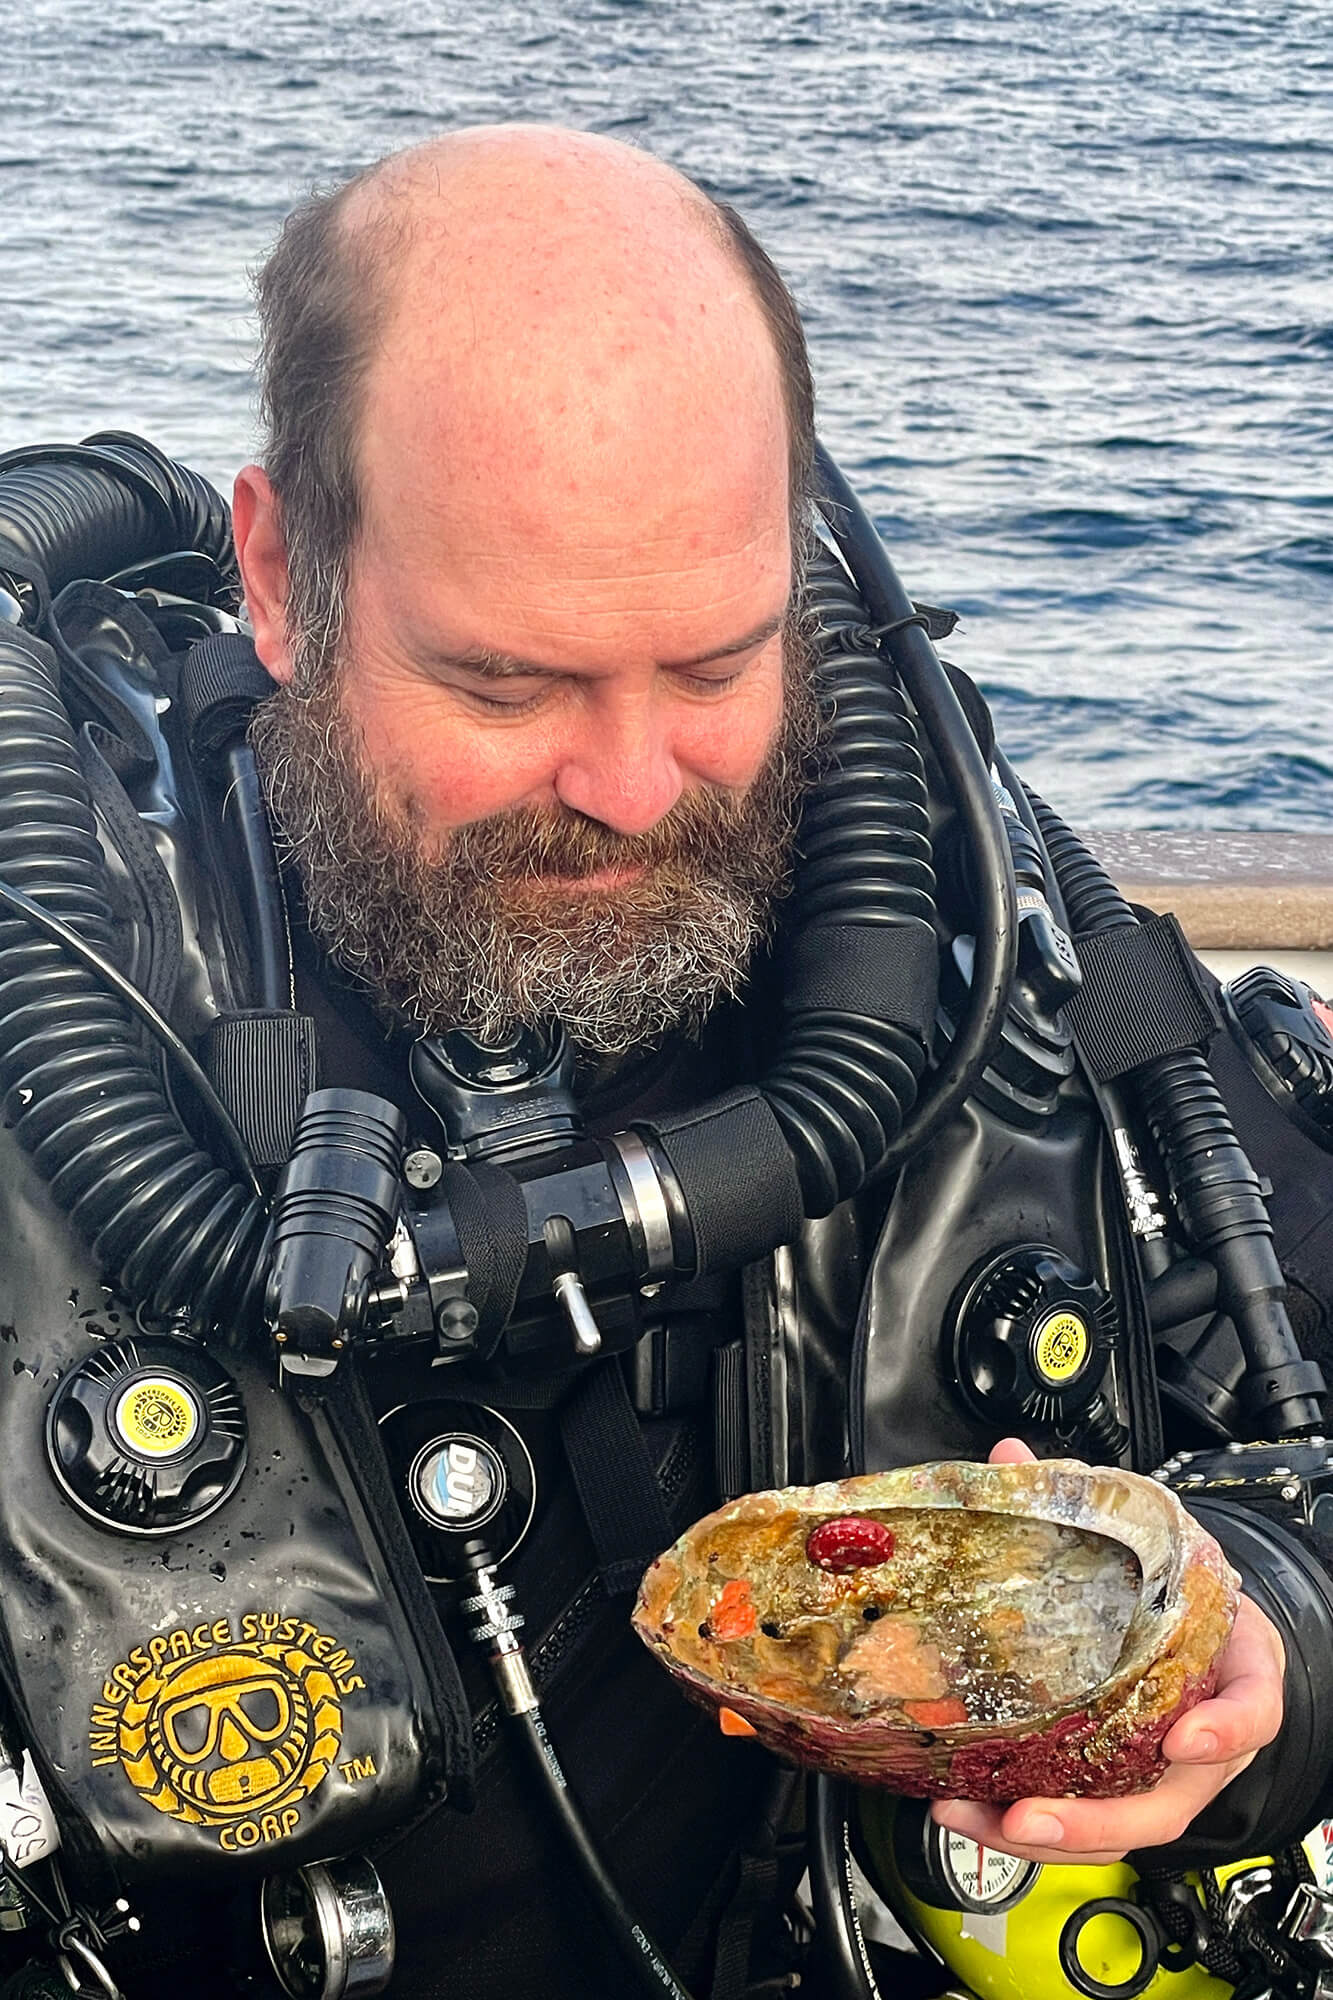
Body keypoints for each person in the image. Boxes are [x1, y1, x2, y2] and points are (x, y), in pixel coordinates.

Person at [0, 121, 1325, 2000]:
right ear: (283, 577)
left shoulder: (964, 950)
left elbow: (1301, 1435)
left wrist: (1259, 1649)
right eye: (504, 683)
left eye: (712, 665)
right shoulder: (62, 1011)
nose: (631, 791)